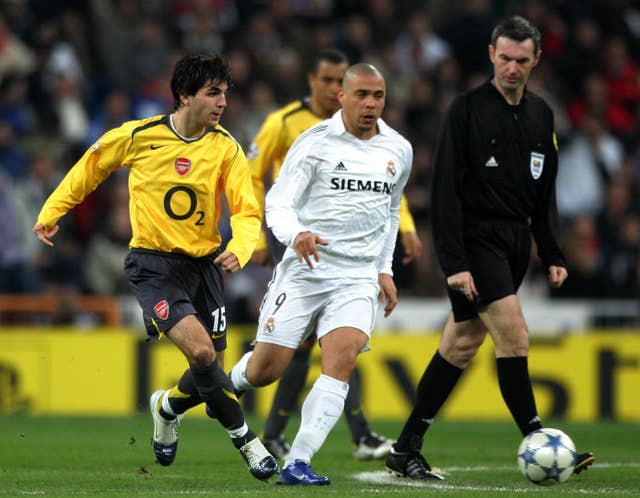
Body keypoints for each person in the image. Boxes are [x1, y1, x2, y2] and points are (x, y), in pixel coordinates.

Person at [32, 54, 278, 481]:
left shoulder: (226, 148)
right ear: (184, 95)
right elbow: (90, 168)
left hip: (204, 267)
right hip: (153, 265)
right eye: (212, 92)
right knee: (202, 353)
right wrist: (53, 210)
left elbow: (245, 209)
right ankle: (248, 442)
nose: (222, 102)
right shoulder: (139, 136)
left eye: (225, 93)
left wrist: (240, 247)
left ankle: (166, 407)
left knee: (209, 370)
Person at [384, 16, 596, 481]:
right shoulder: (465, 110)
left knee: (461, 344)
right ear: (491, 55)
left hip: (515, 242)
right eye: (505, 58)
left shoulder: (542, 115)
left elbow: (545, 191)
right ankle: (542, 441)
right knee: (514, 335)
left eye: (522, 60)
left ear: (535, 59)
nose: (513, 68)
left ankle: (405, 447)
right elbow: (444, 192)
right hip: (475, 241)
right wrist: (455, 263)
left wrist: (553, 251)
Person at [226, 63, 412, 485]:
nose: (370, 104)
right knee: (264, 372)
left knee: (341, 361)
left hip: (357, 277)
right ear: (341, 97)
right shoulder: (314, 142)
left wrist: (384, 270)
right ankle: (224, 383)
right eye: (361, 94)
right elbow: (278, 203)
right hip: (305, 271)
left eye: (378, 96)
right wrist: (297, 236)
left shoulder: (398, 149)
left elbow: (391, 212)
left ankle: (299, 461)